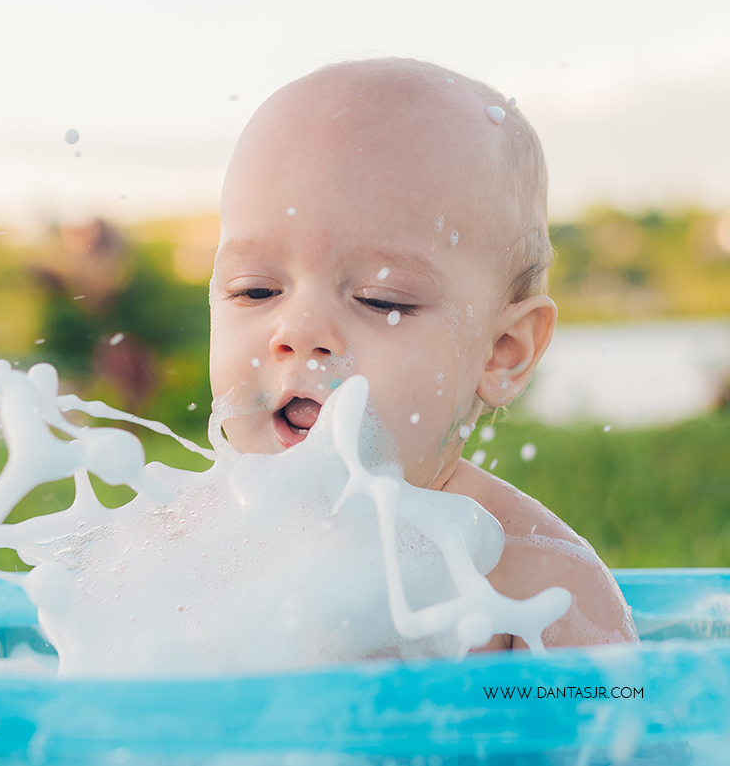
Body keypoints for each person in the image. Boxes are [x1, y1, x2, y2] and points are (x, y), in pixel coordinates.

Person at [208, 57, 637, 650]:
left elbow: (612, 729)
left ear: (501, 352)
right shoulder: (177, 548)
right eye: (255, 290)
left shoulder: (534, 582)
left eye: (379, 299)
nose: (300, 331)